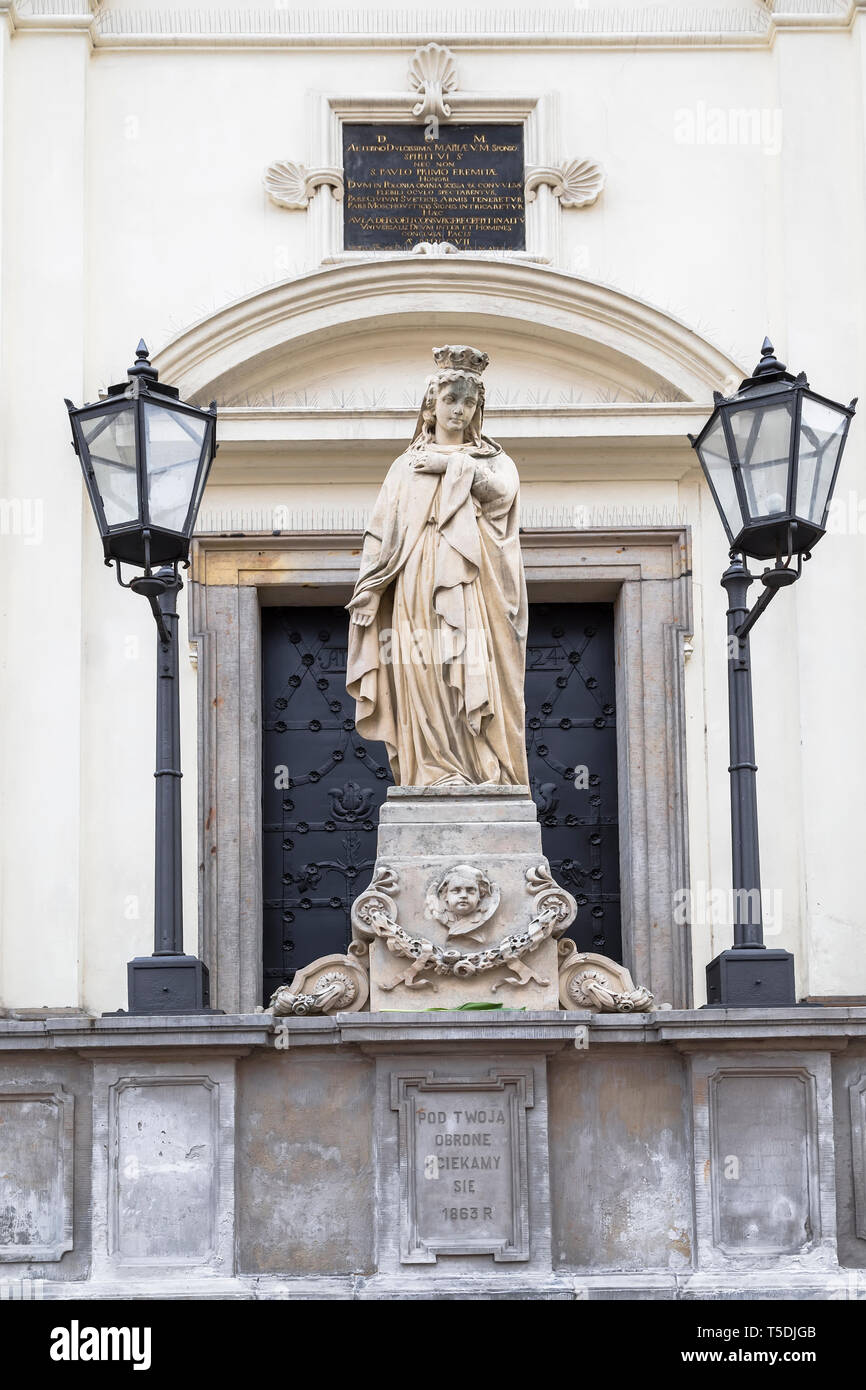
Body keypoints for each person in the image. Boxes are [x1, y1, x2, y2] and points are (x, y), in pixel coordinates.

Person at [346, 344, 529, 787]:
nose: (459, 411)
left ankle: (486, 767)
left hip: (473, 586)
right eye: (451, 400)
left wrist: (452, 464)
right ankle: (433, 769)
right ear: (430, 407)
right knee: (423, 668)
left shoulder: (494, 461)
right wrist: (370, 590)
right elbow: (380, 534)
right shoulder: (405, 467)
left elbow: (500, 495)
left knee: (471, 662)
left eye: (469, 402)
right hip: (415, 583)